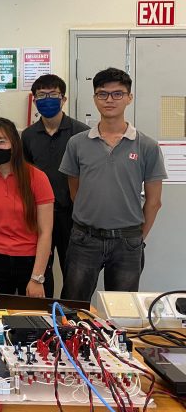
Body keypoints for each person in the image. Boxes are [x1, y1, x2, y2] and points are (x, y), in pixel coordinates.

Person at [59, 67, 167, 302]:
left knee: (122, 312)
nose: (110, 100)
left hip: (127, 242)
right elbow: (75, 190)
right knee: (72, 306)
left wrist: (137, 239)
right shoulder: (77, 144)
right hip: (84, 239)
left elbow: (154, 201)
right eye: (102, 94)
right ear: (95, 98)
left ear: (129, 98)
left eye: (118, 94)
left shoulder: (147, 146)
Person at [0, 118, 54, 302]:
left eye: (1, 141)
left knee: (36, 321)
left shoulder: (37, 178)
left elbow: (45, 232)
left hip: (31, 262)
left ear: (14, 144)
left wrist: (37, 277)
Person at [21, 74, 89, 282]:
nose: (47, 99)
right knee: (39, 272)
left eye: (53, 94)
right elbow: (25, 174)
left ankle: (73, 313)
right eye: (42, 95)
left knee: (75, 273)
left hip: (73, 216)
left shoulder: (82, 133)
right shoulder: (28, 135)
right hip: (38, 215)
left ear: (64, 99)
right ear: (34, 100)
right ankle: (43, 312)